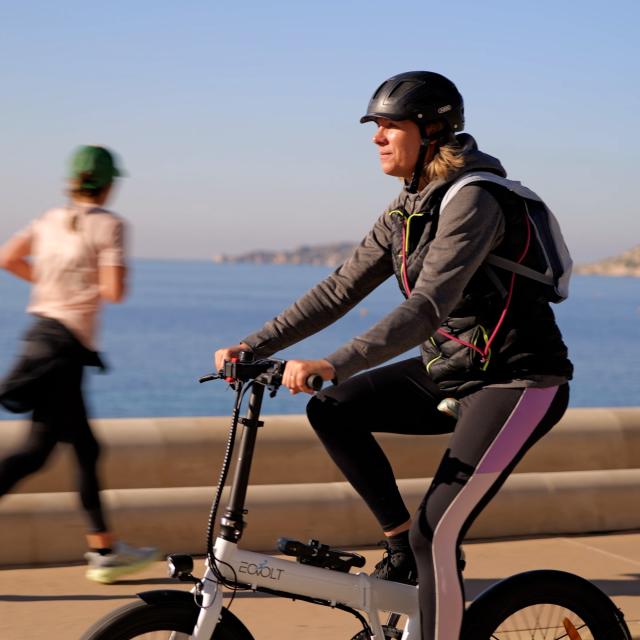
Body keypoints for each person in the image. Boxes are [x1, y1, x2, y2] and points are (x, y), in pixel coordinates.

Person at [215, 71, 572, 640]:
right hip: (452, 369)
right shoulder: (407, 208)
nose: (377, 137)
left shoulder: (474, 200)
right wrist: (254, 347)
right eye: (375, 126)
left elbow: (429, 304)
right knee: (333, 408)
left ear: (431, 131)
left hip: (519, 381)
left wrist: (335, 361)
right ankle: (399, 547)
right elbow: (340, 289)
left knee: (440, 531)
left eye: (390, 126)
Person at [0, 145, 158, 584]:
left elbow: (7, 257)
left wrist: (51, 282)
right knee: (41, 453)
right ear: (108, 186)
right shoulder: (109, 226)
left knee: (69, 450)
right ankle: (104, 554)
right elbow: (114, 290)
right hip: (64, 348)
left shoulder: (48, 220)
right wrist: (84, 281)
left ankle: (104, 550)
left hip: (41, 338)